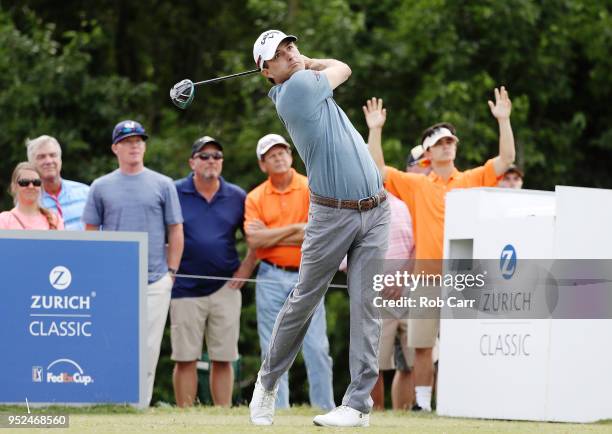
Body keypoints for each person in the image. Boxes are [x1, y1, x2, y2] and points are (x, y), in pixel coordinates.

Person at [249, 30, 390, 428]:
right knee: (304, 300)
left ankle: (357, 405)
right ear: (266, 72)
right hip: (331, 216)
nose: (290, 55)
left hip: (376, 209)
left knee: (366, 307)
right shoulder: (295, 91)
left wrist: (302, 61)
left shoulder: (301, 81)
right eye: (278, 55)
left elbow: (338, 70)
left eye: (290, 47)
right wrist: (309, 61)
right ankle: (267, 382)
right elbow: (343, 67)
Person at [365, 90, 515, 412]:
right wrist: (375, 129)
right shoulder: (418, 184)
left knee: (461, 344)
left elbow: (506, 160)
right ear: (428, 154)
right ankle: (422, 405)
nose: (447, 146)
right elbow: (378, 171)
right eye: (440, 143)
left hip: (462, 276)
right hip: (425, 278)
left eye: (451, 142)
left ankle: (462, 401)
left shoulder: (471, 178)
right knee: (421, 346)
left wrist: (504, 120)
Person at [82, 120, 184, 406]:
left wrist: (171, 273)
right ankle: (110, 401)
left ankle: (139, 405)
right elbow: (91, 231)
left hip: (155, 279)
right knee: (112, 343)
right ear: (115, 148)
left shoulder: (163, 184)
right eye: (127, 141)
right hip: (114, 282)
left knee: (149, 347)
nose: (134, 145)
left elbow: (176, 230)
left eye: (139, 140)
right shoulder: (101, 186)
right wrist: (98, 274)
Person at [245, 133, 335, 411]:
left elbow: (317, 234)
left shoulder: (311, 187)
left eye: (282, 151)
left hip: (307, 274)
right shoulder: (255, 196)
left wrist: (273, 235)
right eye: (272, 155)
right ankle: (275, 409)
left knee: (317, 347)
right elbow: (254, 241)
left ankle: (324, 408)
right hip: (270, 275)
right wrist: (296, 230)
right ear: (263, 164)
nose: (279, 157)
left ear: (291, 155)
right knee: (271, 346)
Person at [171, 136, 257, 408]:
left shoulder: (236, 196)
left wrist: (246, 269)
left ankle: (222, 414)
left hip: (225, 287)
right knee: (185, 357)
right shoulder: (174, 191)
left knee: (223, 356)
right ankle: (184, 416)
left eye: (216, 156)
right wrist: (169, 270)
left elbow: (254, 238)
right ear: (192, 162)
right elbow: (163, 234)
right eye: (204, 156)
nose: (211, 161)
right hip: (183, 287)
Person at [26, 135, 90, 230]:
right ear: (31, 164)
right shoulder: (27, 205)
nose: (48, 161)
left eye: (53, 155)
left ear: (60, 159)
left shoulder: (86, 193)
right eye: (41, 157)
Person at [0, 162, 63, 230]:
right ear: (14, 186)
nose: (31, 186)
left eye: (36, 182)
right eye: (24, 182)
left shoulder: (55, 219)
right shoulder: (4, 220)